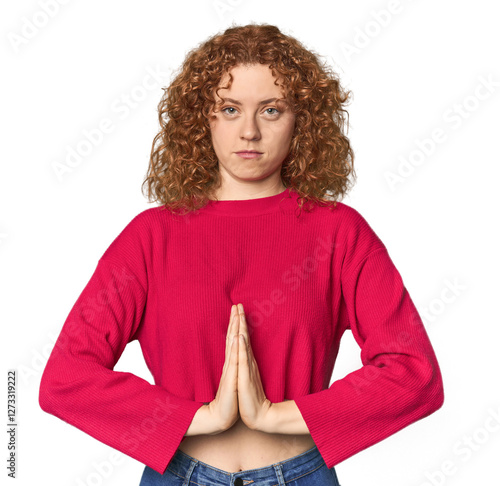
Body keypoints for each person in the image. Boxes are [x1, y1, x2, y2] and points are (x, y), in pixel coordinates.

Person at [39, 23, 445, 486]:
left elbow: (414, 374)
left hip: (302, 474)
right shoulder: (150, 237)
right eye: (229, 109)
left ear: (302, 120)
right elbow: (65, 379)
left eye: (271, 110)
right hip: (179, 474)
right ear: (202, 118)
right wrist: (200, 418)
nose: (249, 131)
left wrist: (277, 415)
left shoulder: (339, 232)